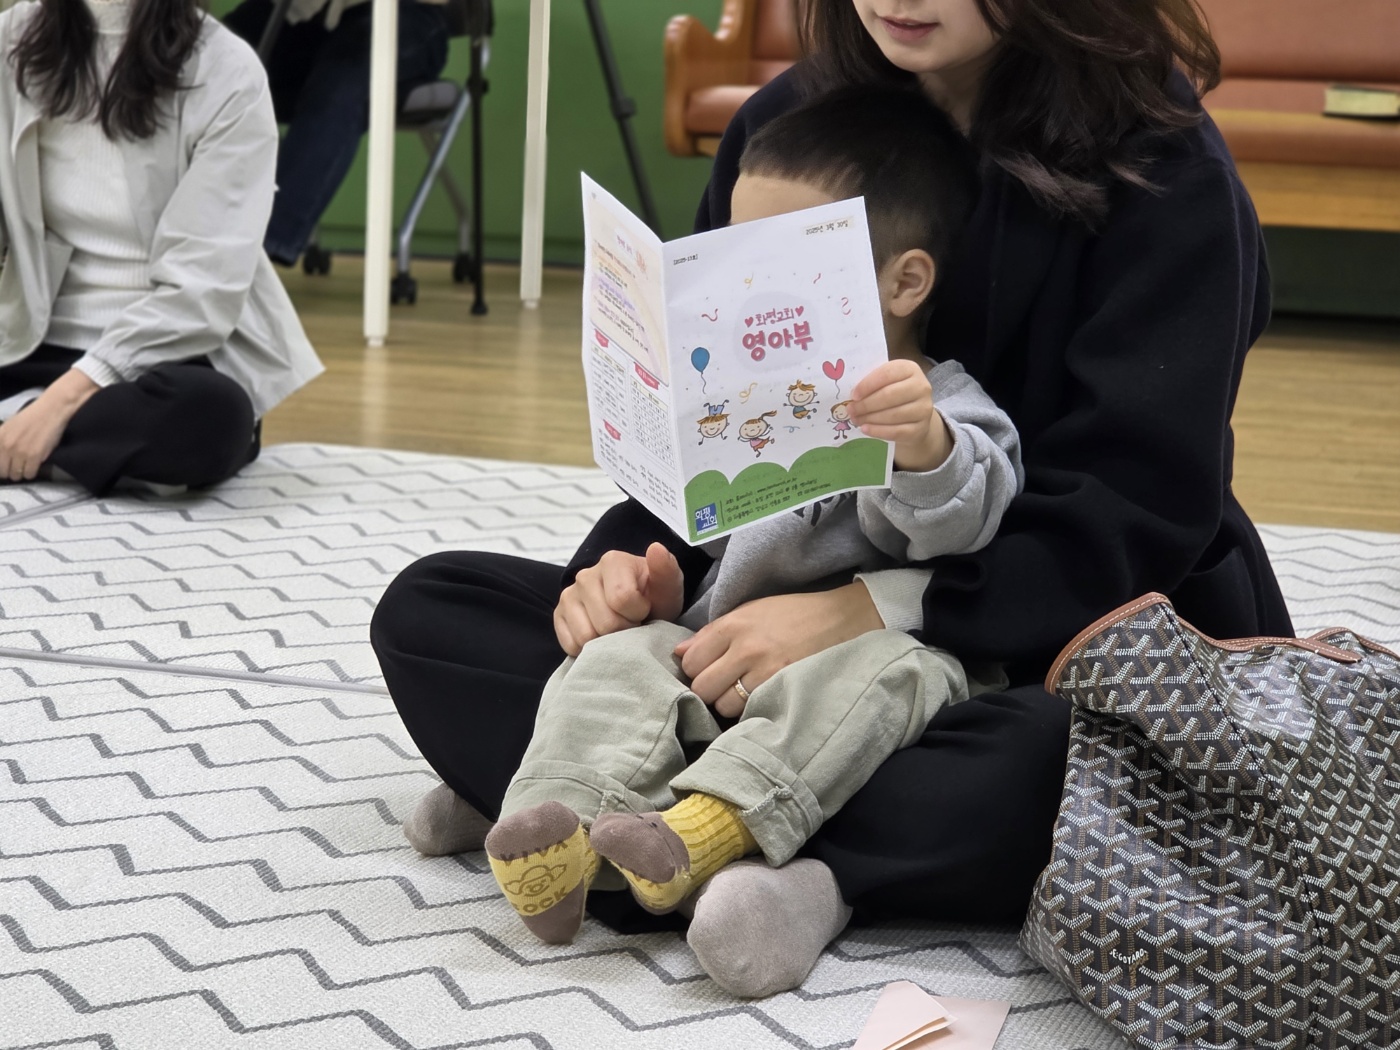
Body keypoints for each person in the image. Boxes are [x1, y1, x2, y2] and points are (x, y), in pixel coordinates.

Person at [371, 0, 1293, 998]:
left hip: (1040, 625)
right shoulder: (788, 127)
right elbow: (708, 422)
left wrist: (864, 610)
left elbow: (1135, 512)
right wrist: (623, 573)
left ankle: (629, 824)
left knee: (1072, 762)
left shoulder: (1163, 171)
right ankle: (678, 825)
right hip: (760, 603)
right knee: (432, 609)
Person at [482, 86, 1023, 947]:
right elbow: (708, 545)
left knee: (889, 679)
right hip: (722, 651)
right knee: (611, 658)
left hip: (873, 667)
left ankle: (702, 833)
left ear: (905, 281)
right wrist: (649, 588)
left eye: (774, 266)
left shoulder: (946, 404)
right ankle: (560, 824)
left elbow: (968, 519)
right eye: (730, 254)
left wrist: (922, 445)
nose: (741, 290)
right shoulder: (742, 397)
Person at [0, 0, 322, 493]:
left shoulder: (227, 71)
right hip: (30, 339)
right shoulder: (11, 40)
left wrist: (59, 403)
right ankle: (49, 447)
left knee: (212, 418)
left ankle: (28, 431)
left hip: (168, 357)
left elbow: (201, 293)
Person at [222, 0, 450, 266]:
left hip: (405, 14)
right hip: (306, 13)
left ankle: (256, 255)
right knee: (207, 54)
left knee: (342, 77)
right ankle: (188, 229)